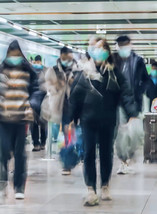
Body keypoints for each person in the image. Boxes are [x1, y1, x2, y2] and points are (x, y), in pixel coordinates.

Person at [69, 38, 137, 206]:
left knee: (106, 153)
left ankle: (105, 185)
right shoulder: (83, 73)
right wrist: (70, 118)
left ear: (107, 52)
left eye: (102, 48)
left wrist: (131, 112)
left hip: (108, 120)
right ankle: (91, 189)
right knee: (89, 153)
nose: (98, 52)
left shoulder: (114, 73)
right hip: (88, 120)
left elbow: (126, 93)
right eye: (95, 48)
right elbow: (74, 98)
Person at [0, 40, 38, 203]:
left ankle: (19, 187)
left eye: (17, 54)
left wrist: (32, 105)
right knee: (3, 154)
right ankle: (1, 188)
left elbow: (36, 90)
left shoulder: (28, 71)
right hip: (4, 118)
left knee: (20, 154)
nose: (14, 58)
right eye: (12, 54)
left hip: (21, 118)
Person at [113, 35, 151, 174]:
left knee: (137, 133)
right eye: (120, 46)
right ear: (117, 47)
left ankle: (130, 154)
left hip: (134, 101)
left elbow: (146, 80)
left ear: (130, 45)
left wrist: (141, 90)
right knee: (121, 134)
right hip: (118, 102)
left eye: (125, 45)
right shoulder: (113, 59)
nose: (123, 48)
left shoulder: (138, 61)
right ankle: (123, 160)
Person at [39, 46, 79, 175]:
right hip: (61, 107)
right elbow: (47, 86)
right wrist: (56, 86)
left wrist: (73, 83)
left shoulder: (78, 69)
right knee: (67, 135)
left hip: (76, 106)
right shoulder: (54, 70)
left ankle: (71, 158)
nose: (68, 60)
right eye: (66, 57)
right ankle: (67, 163)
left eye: (70, 57)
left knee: (73, 135)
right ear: (61, 56)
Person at [31, 55, 47, 152]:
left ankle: (42, 142)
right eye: (36, 62)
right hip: (33, 100)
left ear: (40, 61)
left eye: (38, 62)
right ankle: (36, 143)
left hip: (43, 100)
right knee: (33, 123)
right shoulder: (31, 70)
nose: (37, 63)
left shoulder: (45, 70)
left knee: (43, 122)